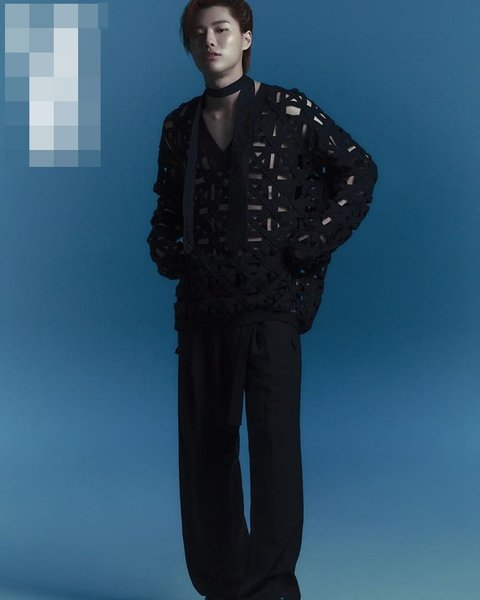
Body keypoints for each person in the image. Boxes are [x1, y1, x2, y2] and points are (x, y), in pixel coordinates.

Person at [146, 1, 379, 599]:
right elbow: (167, 206)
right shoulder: (178, 125)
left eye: (221, 29)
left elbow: (358, 171)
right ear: (189, 47)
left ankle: (272, 588)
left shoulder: (287, 108)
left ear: (245, 38)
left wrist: (308, 245)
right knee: (206, 453)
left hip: (271, 304)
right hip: (203, 309)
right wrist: (168, 250)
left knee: (274, 452)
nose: (210, 41)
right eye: (197, 34)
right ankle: (222, 586)